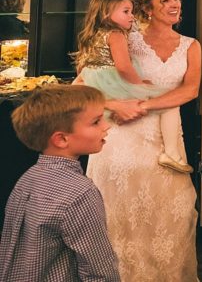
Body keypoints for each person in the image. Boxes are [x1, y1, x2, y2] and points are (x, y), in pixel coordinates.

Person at [87, 0, 200, 281]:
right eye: (165, 0)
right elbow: (84, 83)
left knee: (175, 212)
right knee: (121, 216)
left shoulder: (190, 46)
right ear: (146, 8)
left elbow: (190, 90)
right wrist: (115, 105)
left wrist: (144, 104)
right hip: (121, 138)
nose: (175, 5)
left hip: (166, 140)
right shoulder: (124, 39)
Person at [0, 85, 119, 282]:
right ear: (62, 139)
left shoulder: (26, 179)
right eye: (96, 121)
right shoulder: (81, 193)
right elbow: (100, 271)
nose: (106, 126)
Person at [73, 0, 191, 173]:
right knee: (169, 103)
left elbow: (85, 69)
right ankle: (171, 153)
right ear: (106, 13)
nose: (131, 16)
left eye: (132, 12)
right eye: (126, 12)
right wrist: (139, 85)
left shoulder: (95, 35)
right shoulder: (116, 34)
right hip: (115, 84)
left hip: (99, 84)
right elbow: (124, 67)